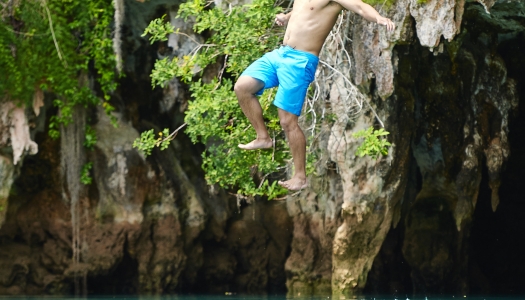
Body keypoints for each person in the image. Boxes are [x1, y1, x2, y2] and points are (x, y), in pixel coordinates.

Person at [234, 0, 395, 191]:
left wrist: (379, 18)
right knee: (242, 87)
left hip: (300, 61)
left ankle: (300, 176)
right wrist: (285, 17)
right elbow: (300, 12)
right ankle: (263, 137)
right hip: (280, 54)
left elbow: (360, 7)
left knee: (287, 122)